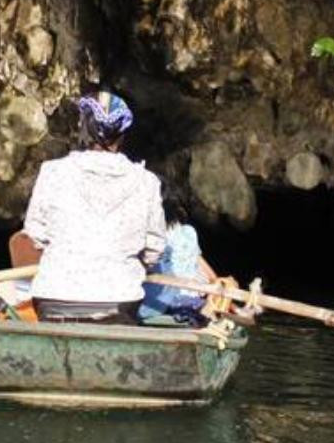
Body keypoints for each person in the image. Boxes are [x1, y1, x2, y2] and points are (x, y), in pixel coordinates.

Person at [12, 90, 166, 324]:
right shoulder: (147, 182)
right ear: (122, 135)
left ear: (83, 128)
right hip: (119, 302)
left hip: (52, 299)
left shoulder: (52, 172)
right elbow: (154, 250)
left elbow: (35, 235)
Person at [138, 192, 220, 326]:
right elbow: (211, 276)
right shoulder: (189, 232)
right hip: (189, 298)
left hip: (161, 302)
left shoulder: (152, 235)